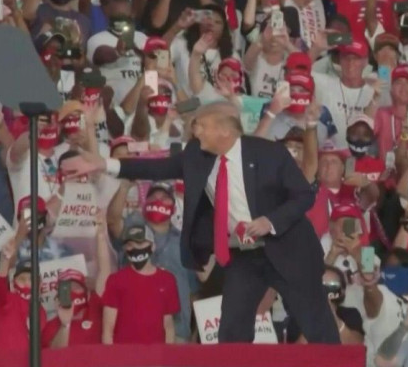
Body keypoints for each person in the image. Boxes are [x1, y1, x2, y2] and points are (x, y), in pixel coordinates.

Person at [85, 101, 339, 343]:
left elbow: (304, 195)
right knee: (231, 331)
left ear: (224, 130)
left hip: (288, 249)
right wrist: (103, 164)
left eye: (202, 125)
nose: (195, 130)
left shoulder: (268, 153)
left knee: (318, 326)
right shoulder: (196, 155)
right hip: (244, 255)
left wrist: (269, 221)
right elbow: (157, 169)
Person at [102, 222, 180, 344]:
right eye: (130, 245)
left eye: (140, 243)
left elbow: (168, 326)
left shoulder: (168, 280)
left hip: (156, 357)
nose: (135, 248)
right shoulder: (115, 280)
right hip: (124, 357)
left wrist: (167, 357)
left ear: (153, 246)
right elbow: (108, 330)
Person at [42, 214, 112, 348]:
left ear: (86, 291)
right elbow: (54, 358)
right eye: (67, 287)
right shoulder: (50, 325)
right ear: (58, 295)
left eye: (76, 286)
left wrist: (101, 235)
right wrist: (65, 325)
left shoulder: (95, 308)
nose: (72, 290)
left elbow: (104, 271)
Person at [0, 240, 48, 350]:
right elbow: (0, 282)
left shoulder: (41, 310)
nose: (27, 283)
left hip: (30, 365)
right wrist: (5, 258)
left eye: (32, 280)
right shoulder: (7, 300)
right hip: (6, 363)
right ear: (13, 283)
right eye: (22, 279)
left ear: (40, 284)